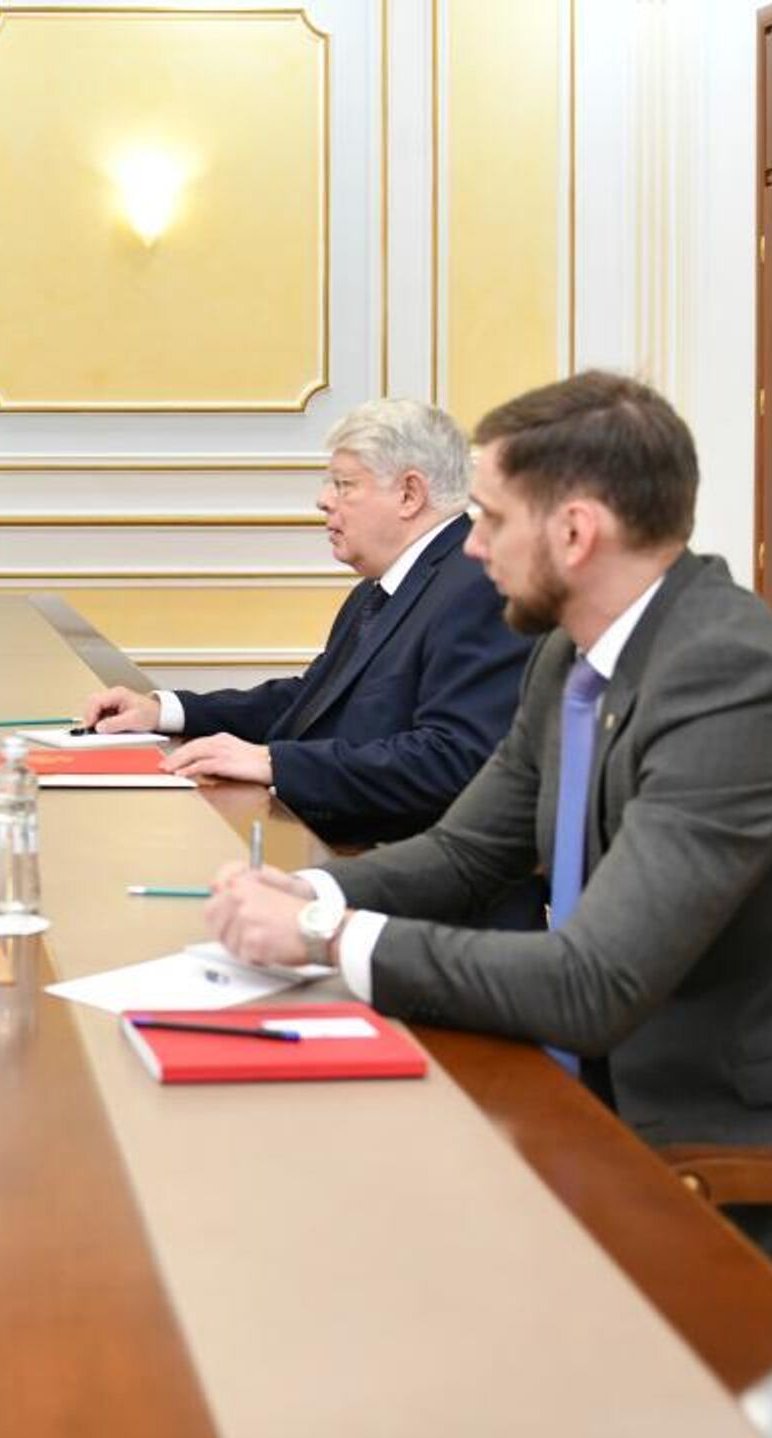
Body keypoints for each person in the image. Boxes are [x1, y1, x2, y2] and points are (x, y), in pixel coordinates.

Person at [207, 371, 772, 1168]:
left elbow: (593, 983)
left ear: (575, 533)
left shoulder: (728, 675)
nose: (472, 546)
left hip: (696, 1141)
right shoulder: (567, 652)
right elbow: (466, 852)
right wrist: (309, 891)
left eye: (494, 520)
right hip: (566, 1076)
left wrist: (323, 935)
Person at [82, 398, 532, 846]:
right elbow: (312, 701)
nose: (323, 500)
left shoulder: (477, 587)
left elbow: (452, 760)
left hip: (401, 868)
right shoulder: (383, 586)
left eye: (344, 485)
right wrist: (166, 711)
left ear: (409, 494)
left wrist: (276, 763)